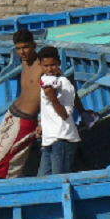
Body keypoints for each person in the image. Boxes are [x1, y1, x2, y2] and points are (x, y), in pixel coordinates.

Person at [0, 29, 41, 179]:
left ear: (34, 45)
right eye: (18, 48)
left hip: (24, 122)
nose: (22, 52)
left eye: (26, 47)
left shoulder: (43, 65)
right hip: (11, 115)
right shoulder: (24, 62)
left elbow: (60, 90)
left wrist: (44, 123)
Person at [36, 46, 80, 176]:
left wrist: (52, 97)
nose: (50, 69)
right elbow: (46, 108)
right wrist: (41, 125)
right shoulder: (44, 80)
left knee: (59, 180)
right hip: (48, 139)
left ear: (59, 64)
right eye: (46, 66)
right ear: (40, 64)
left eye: (53, 65)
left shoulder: (65, 84)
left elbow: (65, 115)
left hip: (62, 138)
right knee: (42, 180)